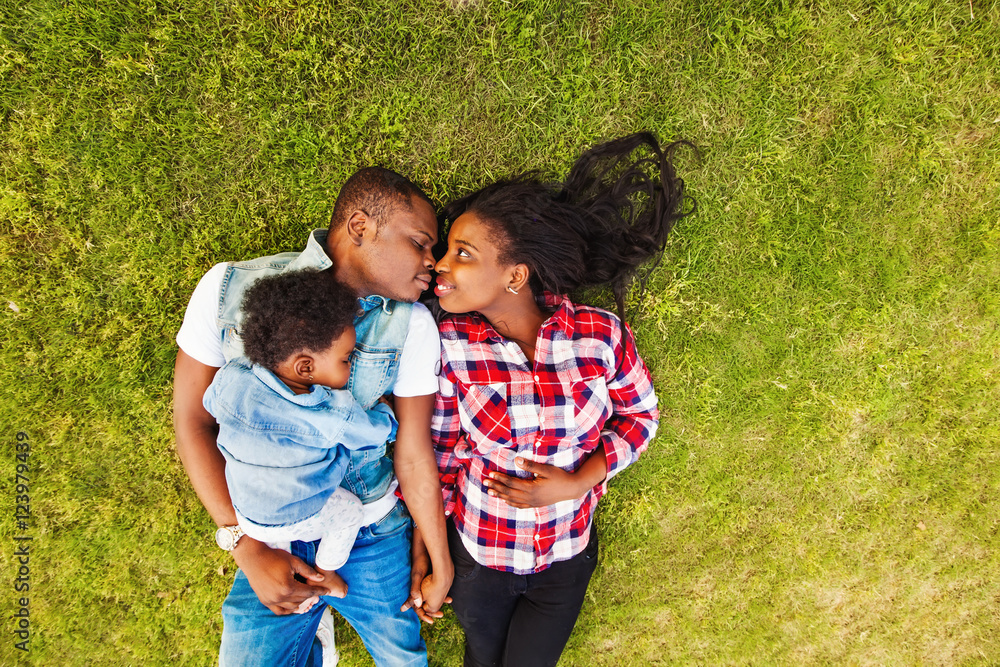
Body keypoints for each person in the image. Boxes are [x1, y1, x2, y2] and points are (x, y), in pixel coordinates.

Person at [429, 133, 693, 667]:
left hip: (566, 558)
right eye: (444, 251)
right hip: (481, 556)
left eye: (462, 253)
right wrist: (434, 554)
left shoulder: (598, 336)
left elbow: (641, 415)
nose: (440, 265)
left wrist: (578, 481)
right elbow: (442, 455)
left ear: (514, 276)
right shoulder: (449, 347)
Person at [173, 167, 453, 667]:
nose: (434, 262)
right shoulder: (227, 289)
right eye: (420, 243)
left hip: (370, 527)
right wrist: (243, 544)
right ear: (361, 226)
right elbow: (194, 423)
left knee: (405, 659)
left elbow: (412, 455)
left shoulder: (412, 325)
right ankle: (311, 634)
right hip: (268, 531)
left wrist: (440, 557)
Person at [203, 270, 398, 585]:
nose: (349, 369)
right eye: (346, 360)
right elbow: (372, 434)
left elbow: (210, 402)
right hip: (294, 513)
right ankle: (326, 573)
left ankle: (280, 549)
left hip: (245, 513)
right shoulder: (324, 412)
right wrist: (388, 412)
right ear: (305, 367)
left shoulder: (234, 377)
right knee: (349, 513)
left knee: (275, 510)